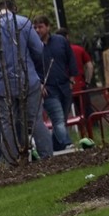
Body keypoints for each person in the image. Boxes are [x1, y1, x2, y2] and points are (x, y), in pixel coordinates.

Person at [0, 1, 54, 161]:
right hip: (28, 79)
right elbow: (39, 49)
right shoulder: (23, 22)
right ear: (14, 9)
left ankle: (12, 161)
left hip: (2, 84)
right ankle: (47, 157)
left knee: (7, 124)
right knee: (35, 120)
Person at [32, 17, 78, 153]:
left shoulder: (60, 41)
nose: (37, 30)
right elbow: (30, 67)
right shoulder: (32, 46)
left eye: (40, 27)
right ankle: (67, 144)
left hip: (64, 85)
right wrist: (39, 84)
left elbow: (71, 58)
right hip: (48, 88)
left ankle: (55, 145)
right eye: (35, 27)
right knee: (57, 117)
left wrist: (72, 78)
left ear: (48, 27)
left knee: (63, 117)